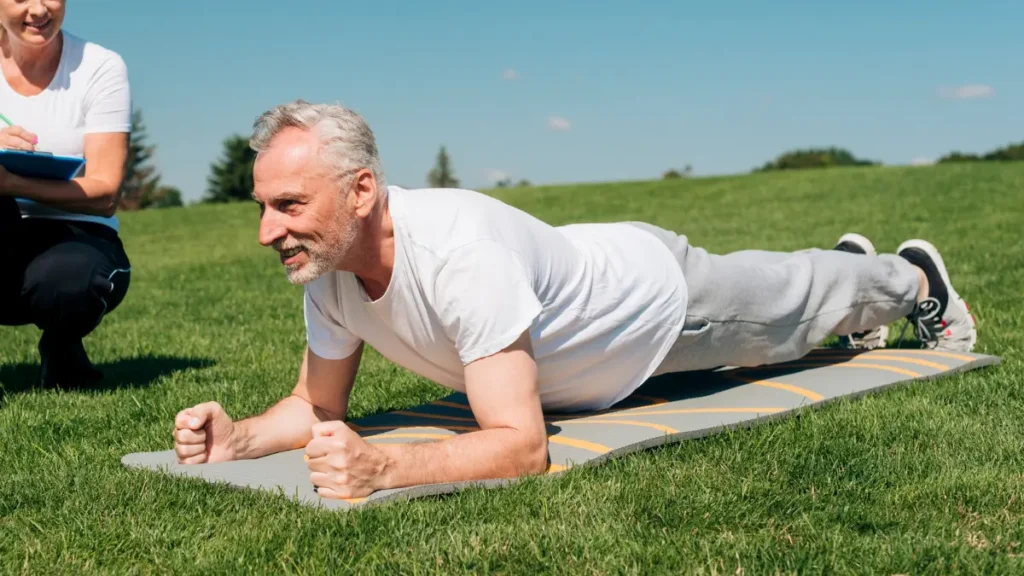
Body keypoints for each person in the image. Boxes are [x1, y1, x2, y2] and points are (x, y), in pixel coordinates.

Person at [172, 100, 977, 500]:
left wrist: (386, 465)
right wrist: (237, 439)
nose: (266, 231)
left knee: (790, 313)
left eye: (288, 205)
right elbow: (316, 405)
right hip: (582, 275)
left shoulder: (455, 253)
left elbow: (522, 448)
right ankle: (847, 276)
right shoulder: (332, 271)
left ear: (360, 191)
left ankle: (908, 280)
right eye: (262, 206)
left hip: (656, 307)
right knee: (802, 299)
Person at [0, 0, 132, 388]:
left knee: (69, 280)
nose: (39, 10)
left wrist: (14, 184)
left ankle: (61, 347)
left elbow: (106, 191)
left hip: (77, 233)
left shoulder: (99, 66)